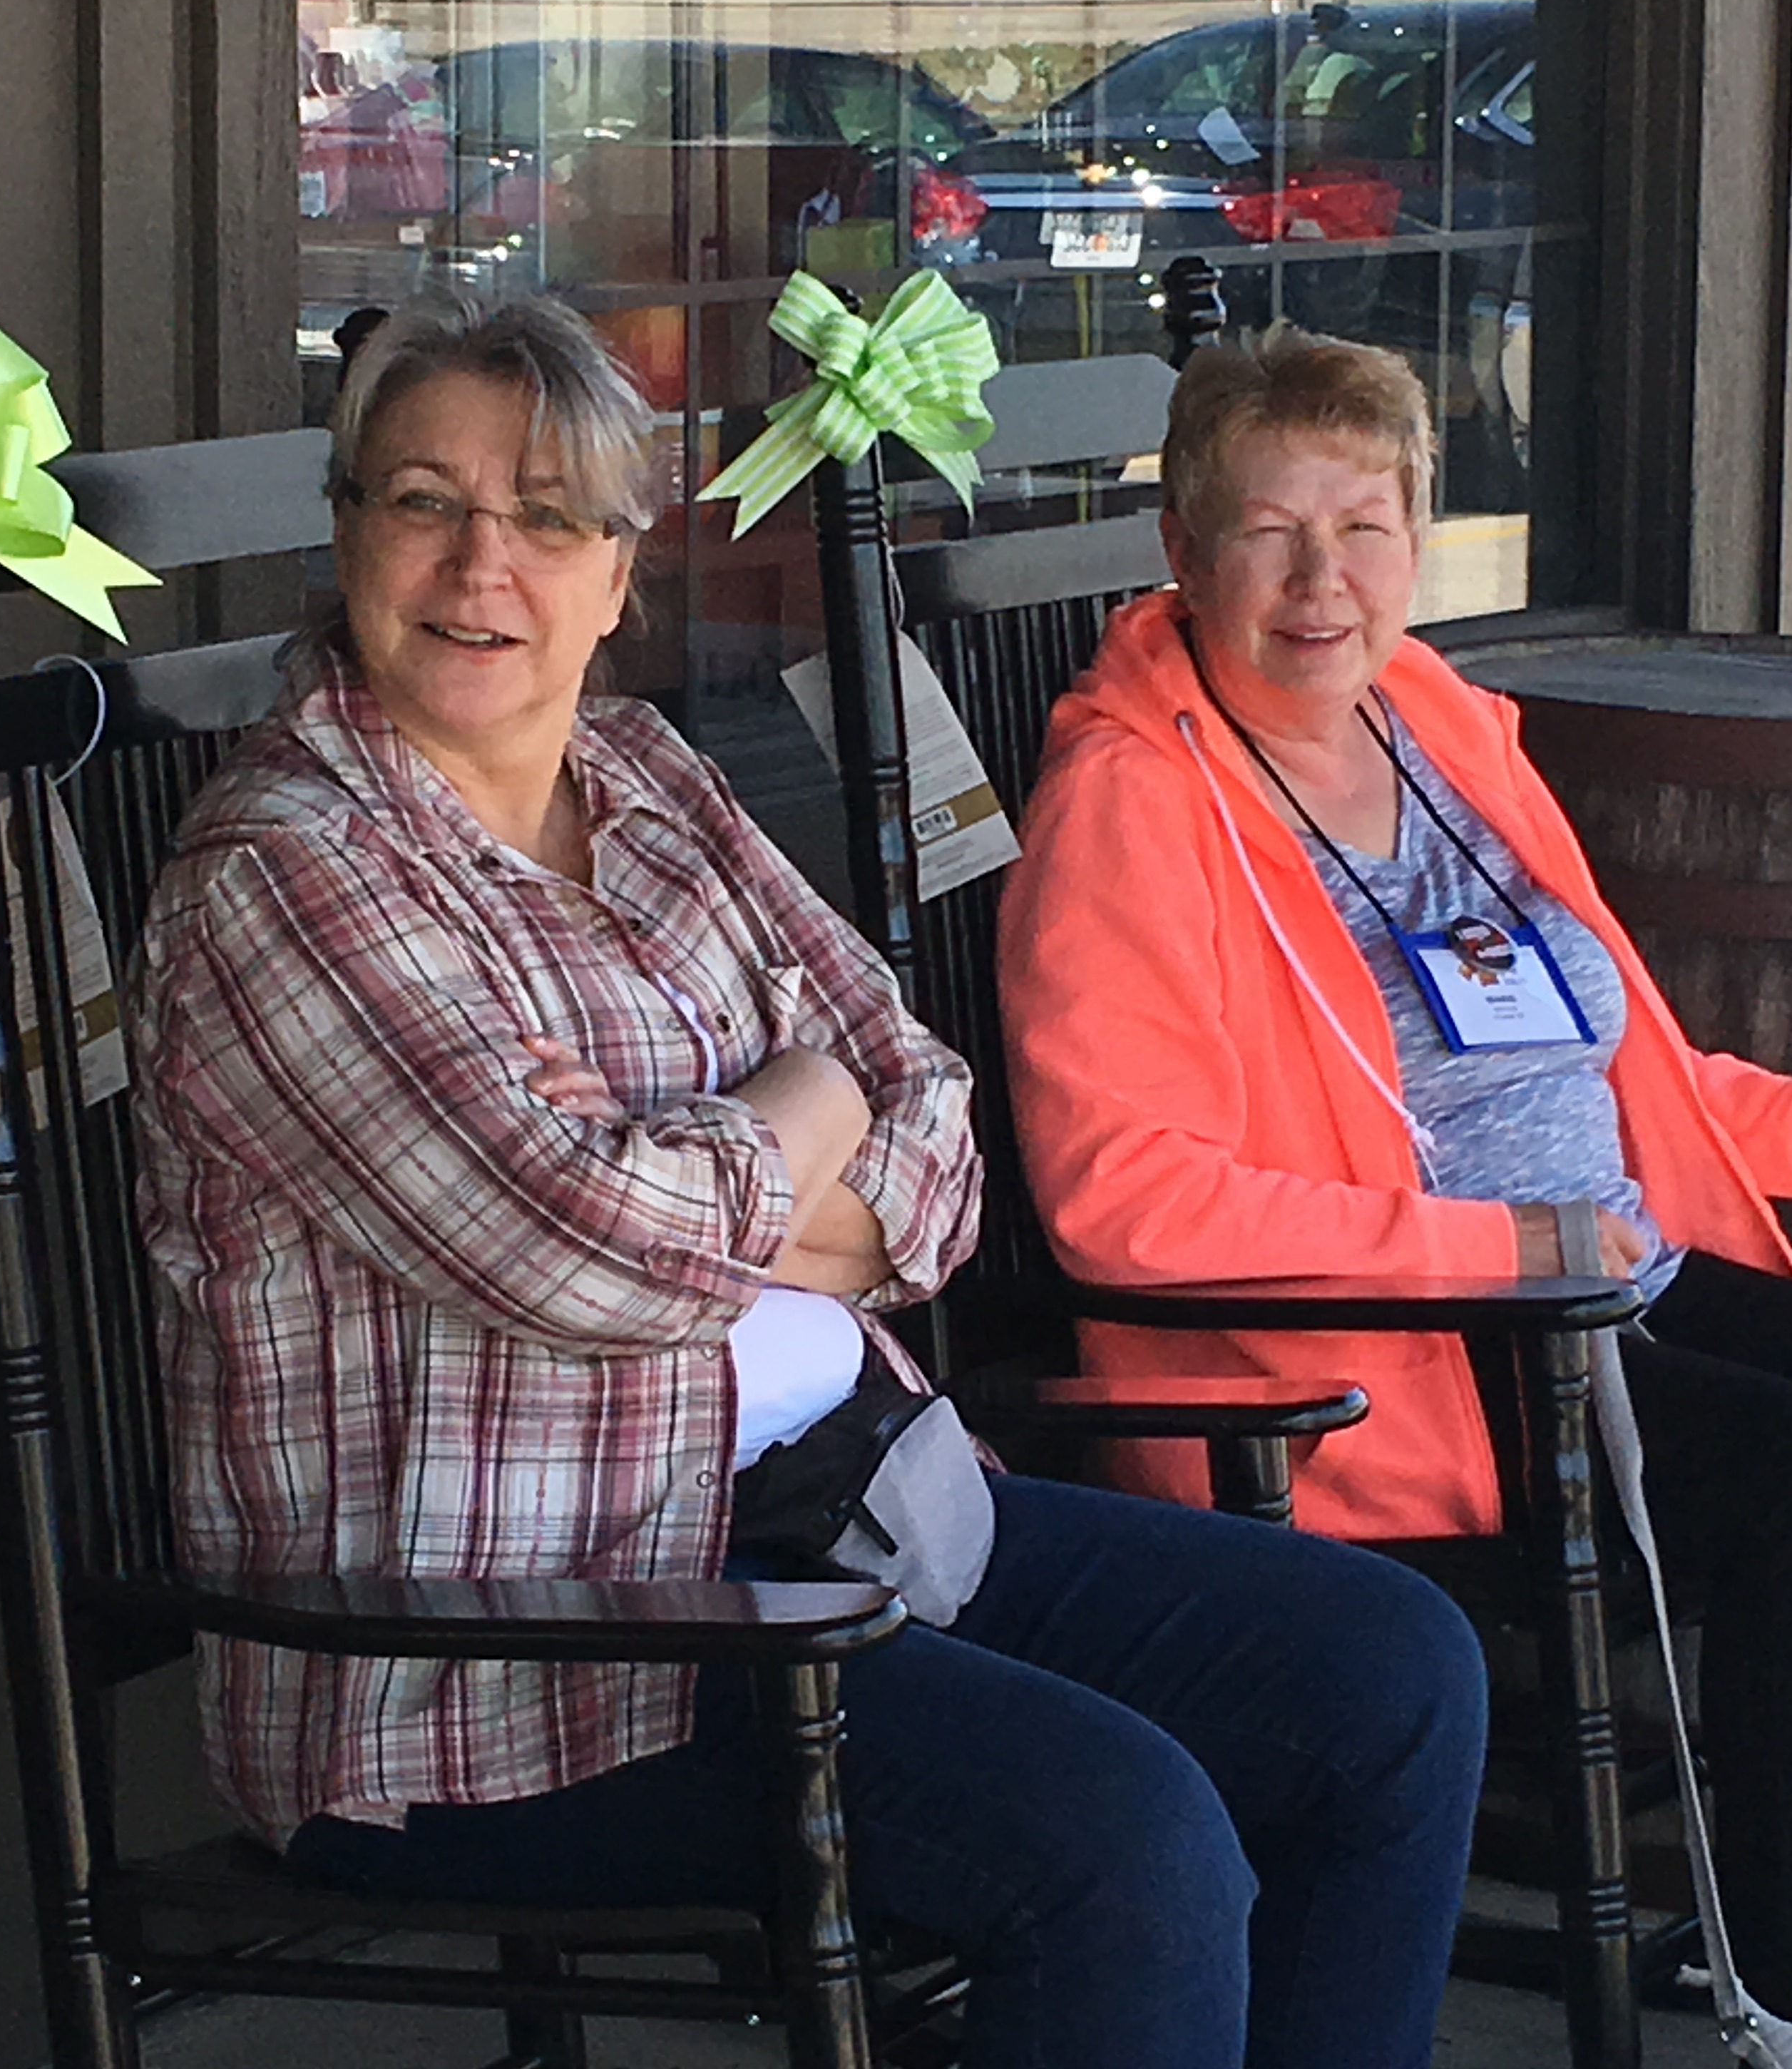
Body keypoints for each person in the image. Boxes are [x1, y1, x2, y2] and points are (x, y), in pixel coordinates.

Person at [124, 285, 1489, 2069]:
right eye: (425, 503)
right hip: (511, 1652)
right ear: (349, 534)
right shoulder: (285, 873)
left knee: (1391, 1676)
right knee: (1129, 1847)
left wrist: (754, 1125)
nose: (482, 566)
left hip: (843, 1518)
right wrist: (799, 1111)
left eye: (547, 517)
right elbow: (600, 1253)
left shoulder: (645, 775)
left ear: (619, 572)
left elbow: (932, 1130)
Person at [995, 322, 1792, 2069]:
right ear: (1187, 549)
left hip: (1615, 1279)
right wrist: (1501, 1248)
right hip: (1392, 1358)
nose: (1324, 583)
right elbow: (1121, 1201)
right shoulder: (1130, 809)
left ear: (1419, 538)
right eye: (1271, 533)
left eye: (1366, 528)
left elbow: (1609, 1053)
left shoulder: (1429, 723)